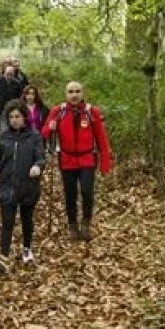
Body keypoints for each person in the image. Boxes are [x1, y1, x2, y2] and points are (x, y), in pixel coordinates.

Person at [41, 81, 114, 241]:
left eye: (77, 91)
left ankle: (86, 223)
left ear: (82, 93)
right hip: (67, 159)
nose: (74, 95)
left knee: (87, 192)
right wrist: (50, 128)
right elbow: (44, 134)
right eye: (71, 91)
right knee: (70, 194)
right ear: (66, 94)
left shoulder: (91, 112)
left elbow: (102, 139)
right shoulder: (57, 111)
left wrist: (105, 162)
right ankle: (72, 225)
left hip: (87, 158)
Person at [0, 99, 45, 273]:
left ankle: (26, 248)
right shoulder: (4, 137)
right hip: (6, 185)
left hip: (28, 185)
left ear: (25, 117)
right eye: (11, 117)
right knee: (7, 222)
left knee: (26, 219)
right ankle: (3, 256)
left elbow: (40, 157)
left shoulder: (34, 136)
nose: (15, 120)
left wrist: (37, 167)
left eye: (18, 116)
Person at [0, 62, 28, 131]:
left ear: (13, 74)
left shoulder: (17, 83)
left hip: (13, 109)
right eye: (8, 73)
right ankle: (4, 139)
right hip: (2, 108)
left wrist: (19, 106)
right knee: (3, 127)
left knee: (12, 127)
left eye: (11, 74)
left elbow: (20, 97)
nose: (9, 75)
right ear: (5, 73)